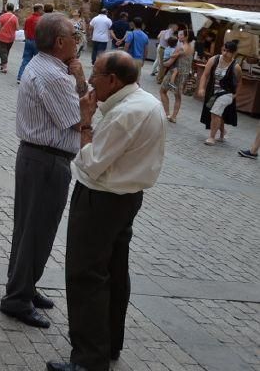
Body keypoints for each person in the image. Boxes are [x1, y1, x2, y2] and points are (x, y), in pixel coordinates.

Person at [47, 51, 165, 371]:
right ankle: (109, 341)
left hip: (101, 198)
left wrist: (86, 120)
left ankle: (89, 359)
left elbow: (91, 161)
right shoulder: (145, 103)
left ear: (113, 80)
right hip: (126, 197)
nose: (90, 79)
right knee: (113, 271)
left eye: (95, 74)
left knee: (86, 274)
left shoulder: (125, 113)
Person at [1, 13, 88, 329]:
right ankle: (17, 298)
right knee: (36, 231)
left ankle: (23, 285)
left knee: (28, 229)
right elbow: (79, 119)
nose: (77, 44)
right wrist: (81, 79)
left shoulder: (45, 67)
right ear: (61, 42)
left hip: (37, 158)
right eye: (74, 38)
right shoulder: (55, 76)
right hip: (46, 161)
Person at [197, 40, 242, 146]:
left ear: (234, 53)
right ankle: (222, 131)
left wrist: (235, 95)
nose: (225, 53)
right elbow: (205, 75)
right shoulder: (214, 59)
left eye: (228, 51)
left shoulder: (236, 67)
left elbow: (240, 82)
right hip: (212, 91)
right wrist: (201, 88)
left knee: (215, 111)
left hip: (226, 92)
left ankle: (211, 137)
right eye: (224, 50)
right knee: (218, 112)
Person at [160, 30, 195, 124]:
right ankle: (174, 117)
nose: (179, 36)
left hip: (174, 73)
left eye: (181, 35)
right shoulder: (191, 48)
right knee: (178, 96)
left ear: (186, 37)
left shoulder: (180, 48)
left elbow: (169, 62)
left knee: (163, 91)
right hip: (184, 74)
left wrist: (163, 63)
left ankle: (167, 114)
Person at [16, 3, 44, 82]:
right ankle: (36, 79)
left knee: (26, 59)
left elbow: (25, 30)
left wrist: (26, 38)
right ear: (39, 10)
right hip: (37, 41)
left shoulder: (28, 18)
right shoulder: (40, 20)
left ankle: (20, 77)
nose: (43, 11)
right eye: (42, 9)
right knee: (38, 61)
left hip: (28, 40)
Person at [0, 3, 19, 74]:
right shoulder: (15, 18)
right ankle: (3, 64)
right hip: (11, 37)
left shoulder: (2, 16)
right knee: (6, 51)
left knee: (2, 51)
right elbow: (17, 28)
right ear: (13, 9)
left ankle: (5, 67)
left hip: (2, 37)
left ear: (6, 8)